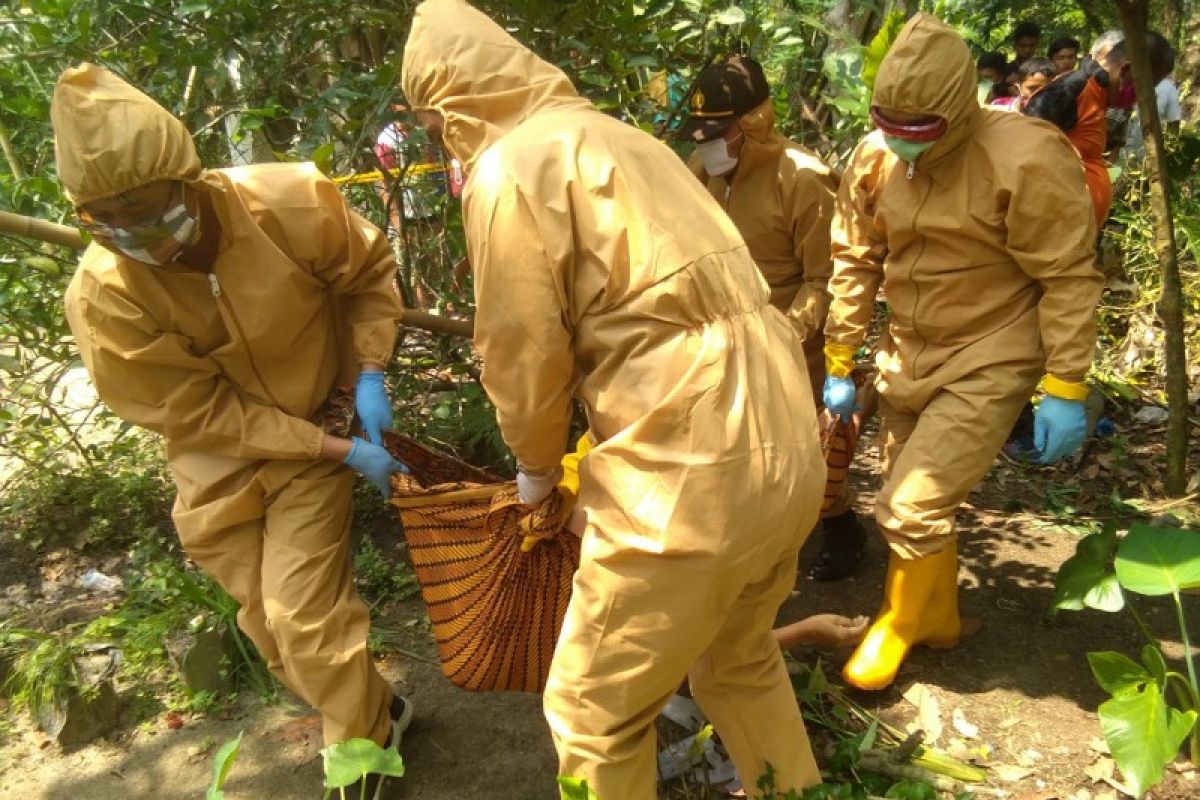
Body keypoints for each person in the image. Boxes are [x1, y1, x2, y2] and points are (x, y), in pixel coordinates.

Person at [402, 1, 827, 797]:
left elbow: (524, 351)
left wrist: (535, 473)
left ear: (455, 104)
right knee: (738, 658)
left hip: (695, 461)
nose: (440, 141)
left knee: (594, 712)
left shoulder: (511, 169)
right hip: (783, 435)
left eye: (434, 125)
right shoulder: (631, 141)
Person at [52, 64, 411, 798]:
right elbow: (195, 410)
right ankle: (382, 709)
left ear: (186, 179)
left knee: (305, 618)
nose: (130, 227)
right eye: (105, 213)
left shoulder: (286, 203)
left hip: (318, 421)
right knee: (268, 629)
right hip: (220, 458)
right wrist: (333, 448)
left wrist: (369, 371)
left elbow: (367, 273)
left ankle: (362, 758)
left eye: (142, 202)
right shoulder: (105, 296)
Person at [822, 13, 1103, 692]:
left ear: (957, 110)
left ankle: (896, 620)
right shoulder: (875, 156)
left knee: (909, 508)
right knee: (906, 490)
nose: (903, 143)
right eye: (892, 124)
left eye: (921, 130)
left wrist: (1065, 382)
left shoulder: (1026, 157)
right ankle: (939, 617)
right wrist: (839, 353)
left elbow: (1066, 275)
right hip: (908, 349)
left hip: (992, 349)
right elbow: (855, 258)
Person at [678, 55, 866, 582]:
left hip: (793, 340)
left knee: (809, 451)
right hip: (724, 335)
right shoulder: (702, 172)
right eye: (702, 133)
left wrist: (790, 329)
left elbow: (827, 277)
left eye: (721, 132)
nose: (709, 143)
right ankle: (757, 541)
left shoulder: (802, 180)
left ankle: (842, 526)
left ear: (754, 123)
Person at [1025, 29, 1176, 226]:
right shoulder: (1073, 90)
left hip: (1075, 229)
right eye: (1145, 86)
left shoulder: (1098, 95)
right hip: (1053, 230)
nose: (1143, 95)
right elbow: (1025, 154)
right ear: (1126, 71)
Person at [991, 58, 1056, 112]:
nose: (1039, 93)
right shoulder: (999, 107)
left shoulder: (1059, 114)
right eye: (1033, 88)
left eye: (1047, 89)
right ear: (1018, 86)